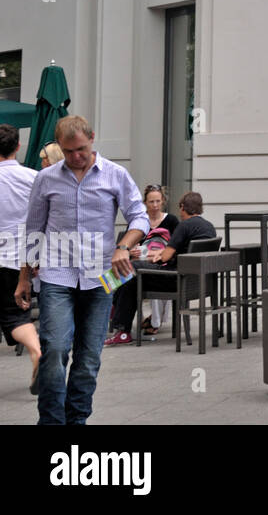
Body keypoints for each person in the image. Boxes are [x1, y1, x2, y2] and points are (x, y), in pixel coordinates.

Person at [17, 115, 149, 424]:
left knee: (88, 359)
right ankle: (51, 422)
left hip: (102, 277)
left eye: (81, 149)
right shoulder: (46, 178)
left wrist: (123, 246)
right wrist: (24, 276)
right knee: (55, 350)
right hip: (56, 276)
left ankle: (76, 420)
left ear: (91, 137)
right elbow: (34, 229)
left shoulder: (115, 174)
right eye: (68, 151)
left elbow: (139, 217)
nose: (75, 157)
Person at [105, 191, 216, 344]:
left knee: (132, 267)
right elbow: (173, 252)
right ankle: (120, 325)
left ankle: (105, 294)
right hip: (193, 281)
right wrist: (159, 254)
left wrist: (157, 256)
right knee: (130, 280)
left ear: (183, 207)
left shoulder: (184, 226)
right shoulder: (208, 227)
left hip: (174, 279)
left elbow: (165, 257)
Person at [0, 124, 41, 393]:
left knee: (9, 316)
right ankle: (36, 350)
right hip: (21, 260)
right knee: (15, 316)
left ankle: (37, 351)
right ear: (17, 147)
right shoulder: (35, 178)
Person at [136, 185, 179, 336]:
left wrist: (161, 254)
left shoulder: (171, 220)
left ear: (163, 202)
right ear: (145, 203)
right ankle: (114, 314)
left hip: (162, 264)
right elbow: (128, 244)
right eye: (151, 202)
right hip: (139, 262)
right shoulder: (139, 221)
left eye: (157, 201)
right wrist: (132, 250)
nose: (154, 205)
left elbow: (177, 245)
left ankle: (153, 321)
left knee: (147, 274)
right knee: (120, 274)